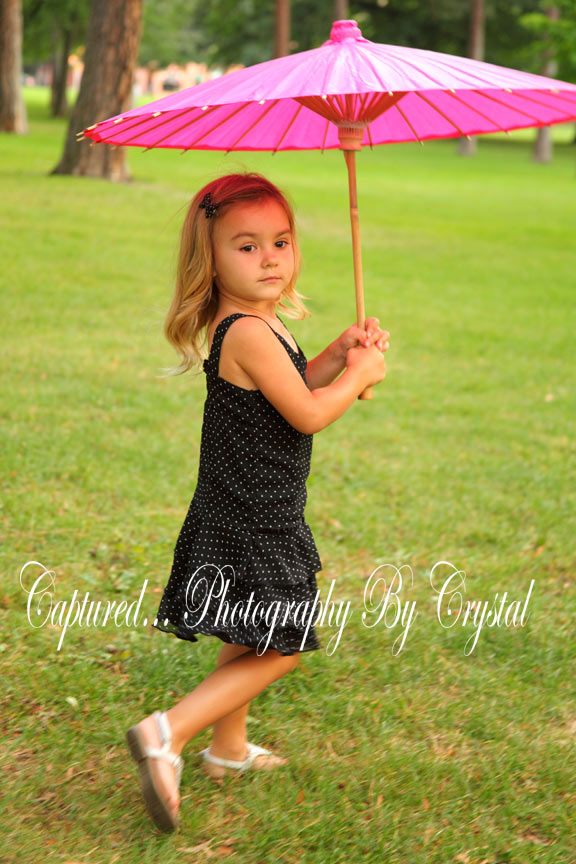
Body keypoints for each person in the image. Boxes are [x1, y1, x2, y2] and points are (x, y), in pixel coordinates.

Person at [125, 171, 389, 832]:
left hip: (243, 508)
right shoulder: (245, 331)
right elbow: (306, 413)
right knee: (280, 646)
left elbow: (293, 383)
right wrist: (358, 376)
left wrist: (339, 355)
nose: (270, 258)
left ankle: (228, 747)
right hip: (254, 519)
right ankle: (167, 731)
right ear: (211, 259)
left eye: (281, 242)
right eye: (247, 247)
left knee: (248, 630)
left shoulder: (262, 323)